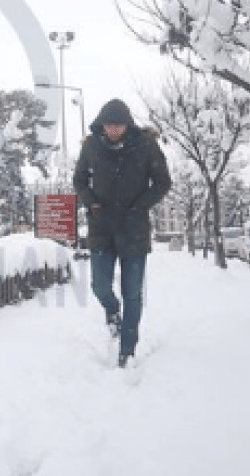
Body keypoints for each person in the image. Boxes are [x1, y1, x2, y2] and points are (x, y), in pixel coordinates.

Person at [73, 99, 171, 368]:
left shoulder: (145, 145)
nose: (114, 129)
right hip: (101, 228)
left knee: (133, 294)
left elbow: (163, 182)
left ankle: (127, 349)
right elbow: (79, 180)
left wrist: (140, 206)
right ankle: (111, 309)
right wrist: (91, 202)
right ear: (102, 125)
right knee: (100, 286)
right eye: (109, 125)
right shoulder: (91, 146)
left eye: (118, 125)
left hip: (134, 229)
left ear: (127, 125)